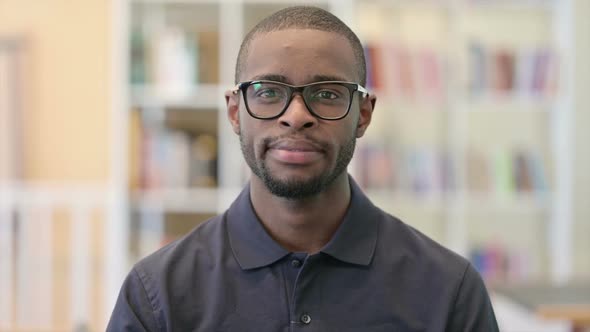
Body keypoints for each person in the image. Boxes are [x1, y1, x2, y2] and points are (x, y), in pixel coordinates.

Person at [107, 6, 499, 331]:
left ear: (363, 115)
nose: (296, 116)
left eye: (326, 94)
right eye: (268, 92)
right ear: (234, 112)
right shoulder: (158, 294)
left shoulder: (448, 292)